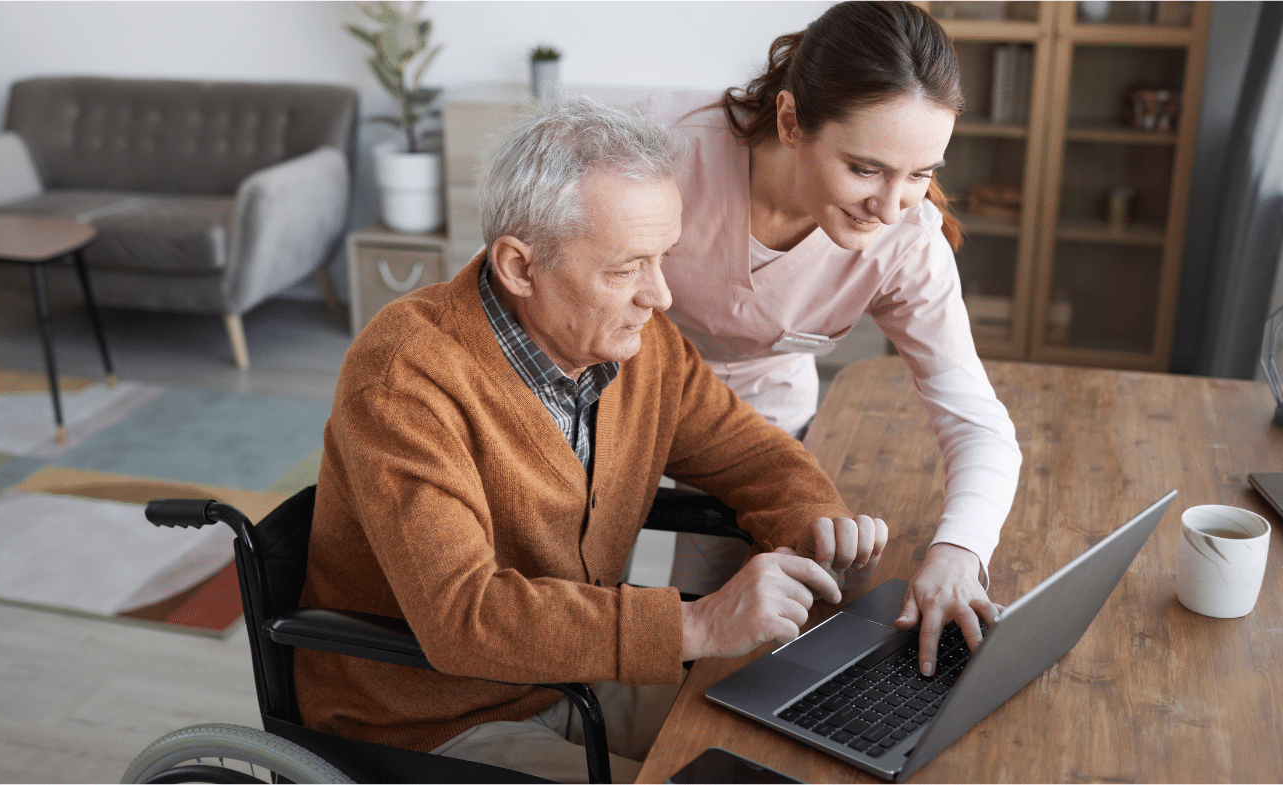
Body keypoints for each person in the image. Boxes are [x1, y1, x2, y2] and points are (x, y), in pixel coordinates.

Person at [293, 96, 888, 784]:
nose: (659, 295)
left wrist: (816, 520)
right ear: (520, 267)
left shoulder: (641, 346)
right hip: (429, 720)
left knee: (793, 745)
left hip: (576, 678)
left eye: (663, 257)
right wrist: (695, 625)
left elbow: (749, 452)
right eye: (625, 268)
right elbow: (463, 614)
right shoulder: (405, 375)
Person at [635, 0, 1022, 678]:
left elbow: (975, 420)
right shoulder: (661, 153)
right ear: (790, 121)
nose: (891, 205)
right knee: (587, 594)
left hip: (759, 422)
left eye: (922, 172)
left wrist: (959, 550)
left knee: (732, 642)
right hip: (618, 396)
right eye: (866, 168)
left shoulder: (905, 241)